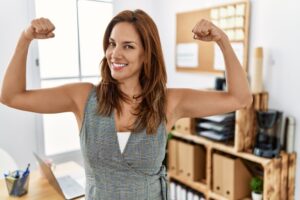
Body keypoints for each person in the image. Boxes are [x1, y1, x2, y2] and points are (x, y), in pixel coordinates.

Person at [0, 9, 252, 200]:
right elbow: (11, 96)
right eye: (112, 43)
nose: (114, 54)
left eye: (128, 46)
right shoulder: (83, 97)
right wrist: (25, 39)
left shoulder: (169, 102)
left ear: (146, 55)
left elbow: (240, 98)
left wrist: (223, 41)